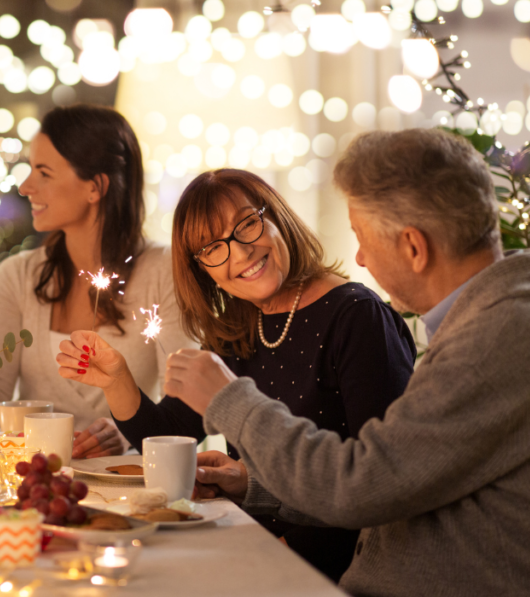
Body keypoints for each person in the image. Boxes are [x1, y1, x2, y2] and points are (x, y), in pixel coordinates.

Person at [155, 129, 530, 595]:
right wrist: (252, 485)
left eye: (363, 241)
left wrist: (231, 401)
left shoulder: (496, 343)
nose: (360, 259)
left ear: (413, 247)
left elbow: (361, 490)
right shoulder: (495, 320)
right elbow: (394, 482)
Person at [56, 169, 416, 580]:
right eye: (213, 248)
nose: (239, 253)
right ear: (202, 270)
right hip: (245, 542)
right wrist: (117, 379)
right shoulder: (238, 327)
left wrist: (274, 555)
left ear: (277, 216)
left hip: (327, 570)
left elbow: (381, 488)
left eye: (247, 224)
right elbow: (171, 435)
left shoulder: (357, 318)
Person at [0, 104, 197, 458]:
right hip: (33, 480)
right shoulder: (18, 276)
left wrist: (127, 433)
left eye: (44, 172)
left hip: (127, 485)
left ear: (95, 187)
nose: (25, 187)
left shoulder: (164, 270)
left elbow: (183, 405)